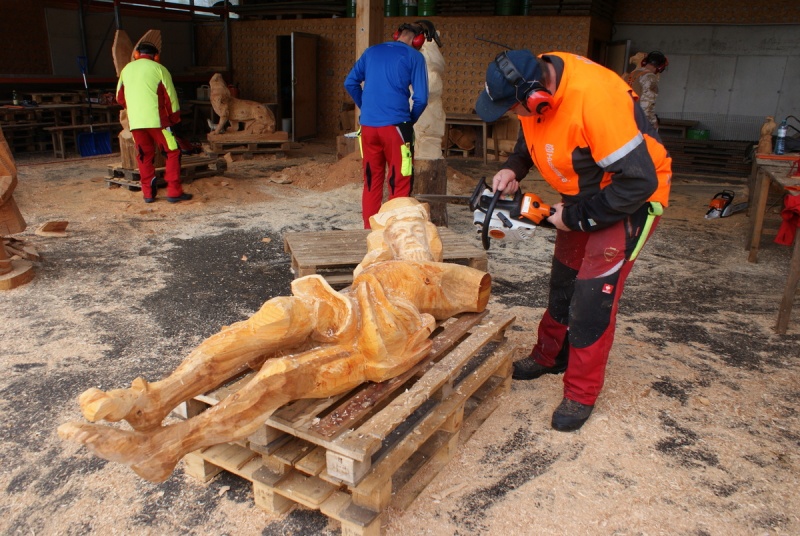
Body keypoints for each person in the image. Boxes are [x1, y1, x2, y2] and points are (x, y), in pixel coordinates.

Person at [58, 198, 490, 482]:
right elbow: (363, 277)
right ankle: (156, 398)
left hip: (376, 340)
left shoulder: (448, 275)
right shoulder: (375, 259)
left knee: (281, 373)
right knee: (278, 315)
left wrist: (427, 305)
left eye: (414, 225)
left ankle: (165, 448)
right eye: (396, 227)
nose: (406, 234)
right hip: (343, 307)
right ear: (383, 234)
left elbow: (474, 298)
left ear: (430, 233)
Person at [475, 50, 672, 432]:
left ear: (537, 95)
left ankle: (581, 393)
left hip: (630, 199)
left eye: (514, 107)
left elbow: (638, 181)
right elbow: (530, 136)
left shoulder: (597, 101)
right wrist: (512, 168)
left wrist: (575, 218)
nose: (513, 114)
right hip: (584, 194)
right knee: (564, 282)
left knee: (592, 298)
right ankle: (550, 356)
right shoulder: (533, 78)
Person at [344, 23, 429, 228]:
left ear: (397, 35)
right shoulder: (415, 57)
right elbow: (421, 99)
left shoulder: (371, 52)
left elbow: (350, 83)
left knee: (371, 181)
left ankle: (369, 232)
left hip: (368, 128)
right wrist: (410, 120)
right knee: (399, 181)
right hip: (397, 128)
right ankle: (395, 233)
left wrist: (367, 108)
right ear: (418, 40)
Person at [116, 42, 192, 204]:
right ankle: (174, 191)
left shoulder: (126, 70)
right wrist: (174, 119)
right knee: (172, 152)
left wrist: (135, 110)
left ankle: (148, 194)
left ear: (137, 54)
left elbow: (119, 98)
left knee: (144, 155)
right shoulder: (160, 69)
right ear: (156, 56)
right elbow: (171, 98)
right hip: (159, 121)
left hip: (136, 122)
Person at [624, 51, 669, 130]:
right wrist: (653, 122)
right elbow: (647, 104)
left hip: (622, 116)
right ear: (660, 67)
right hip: (636, 120)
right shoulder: (650, 77)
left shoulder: (630, 75)